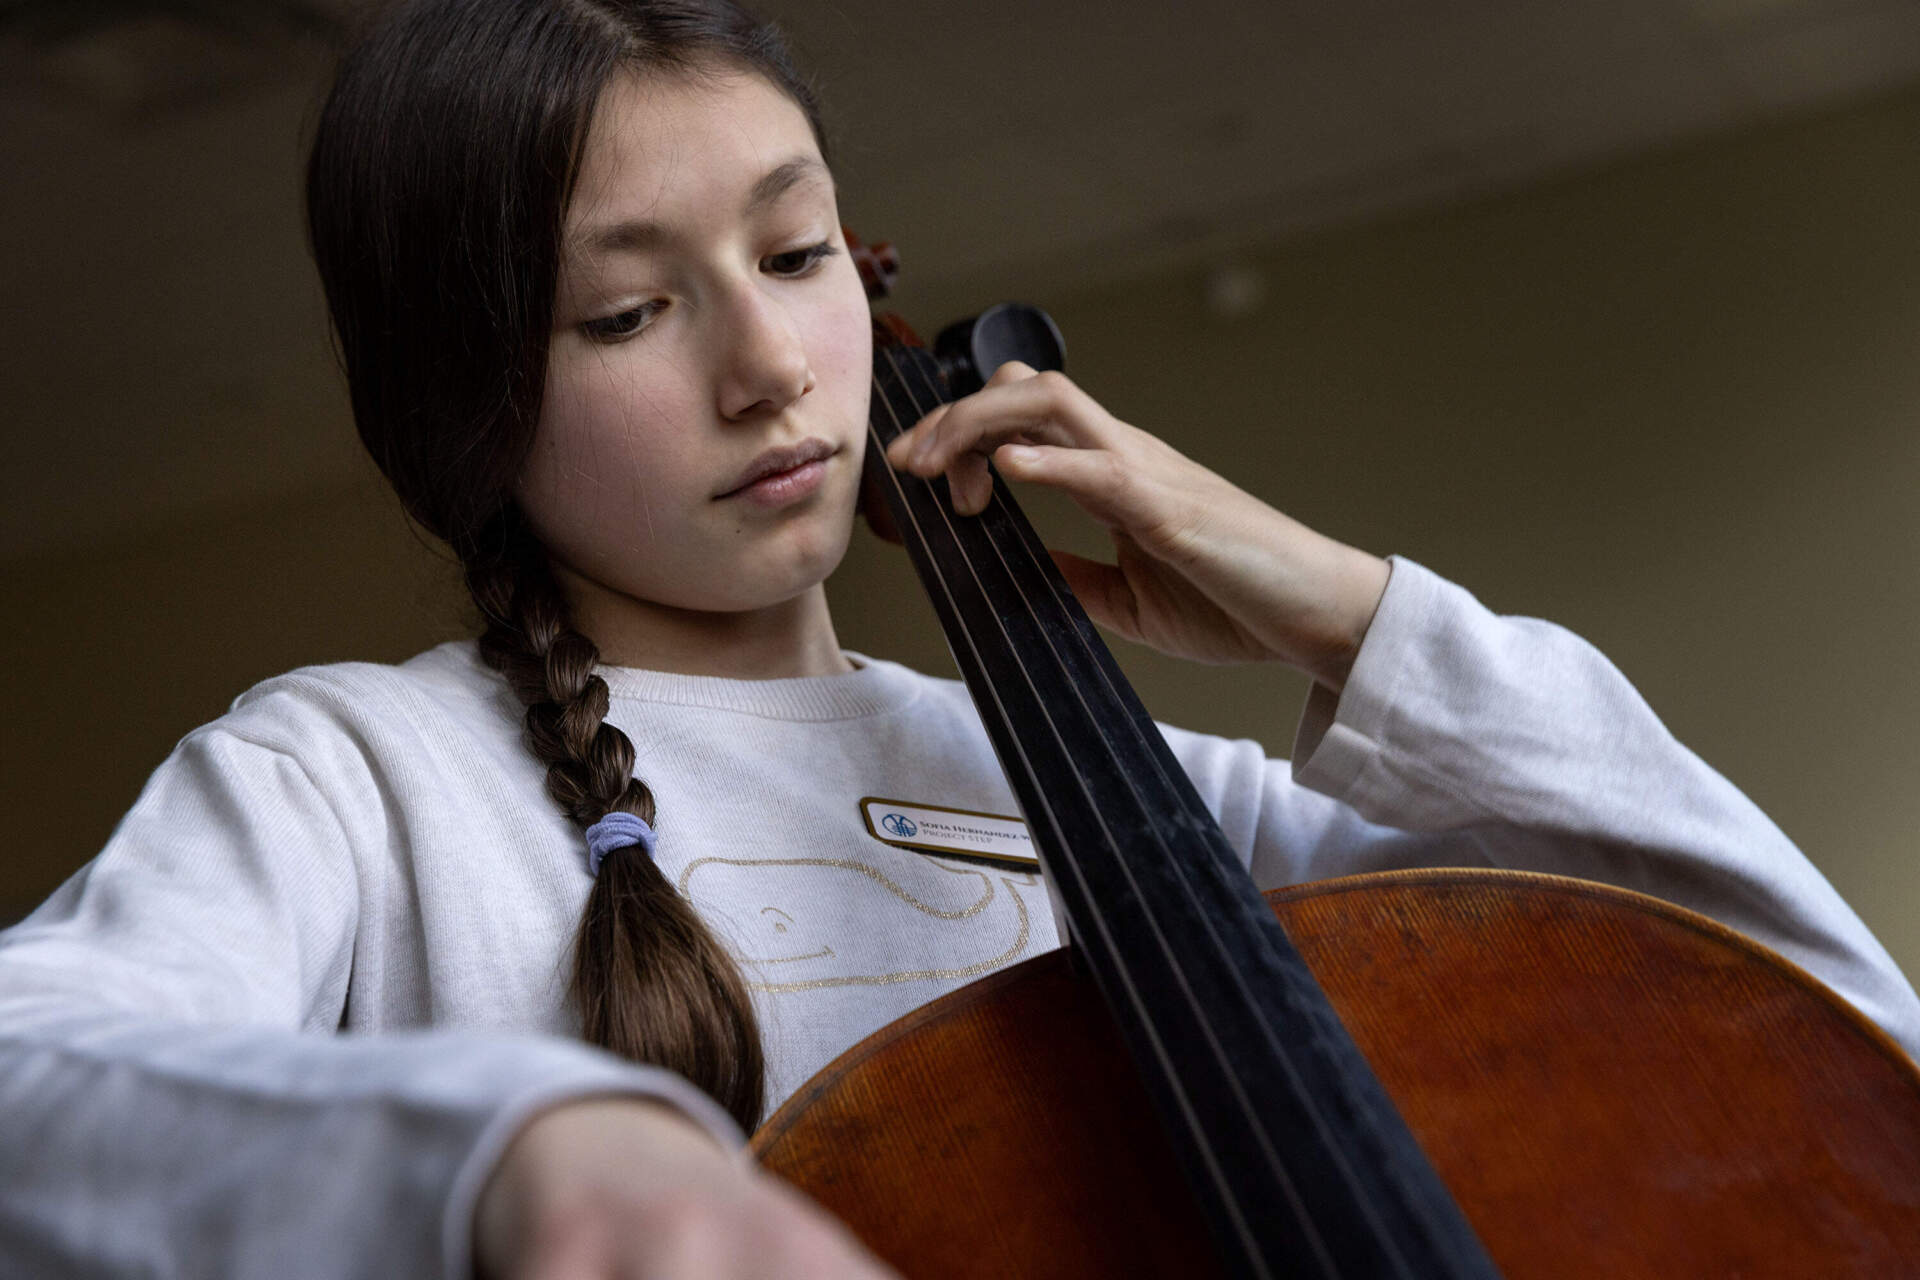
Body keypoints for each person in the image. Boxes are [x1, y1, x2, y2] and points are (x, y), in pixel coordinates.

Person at [1, 0, 1915, 1276]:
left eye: (795, 250)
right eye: (624, 316)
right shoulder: (354, 778)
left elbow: (1811, 1044)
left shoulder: (1162, 817)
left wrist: (1357, 611)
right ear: (461, 407)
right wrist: (525, 1151)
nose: (769, 366)